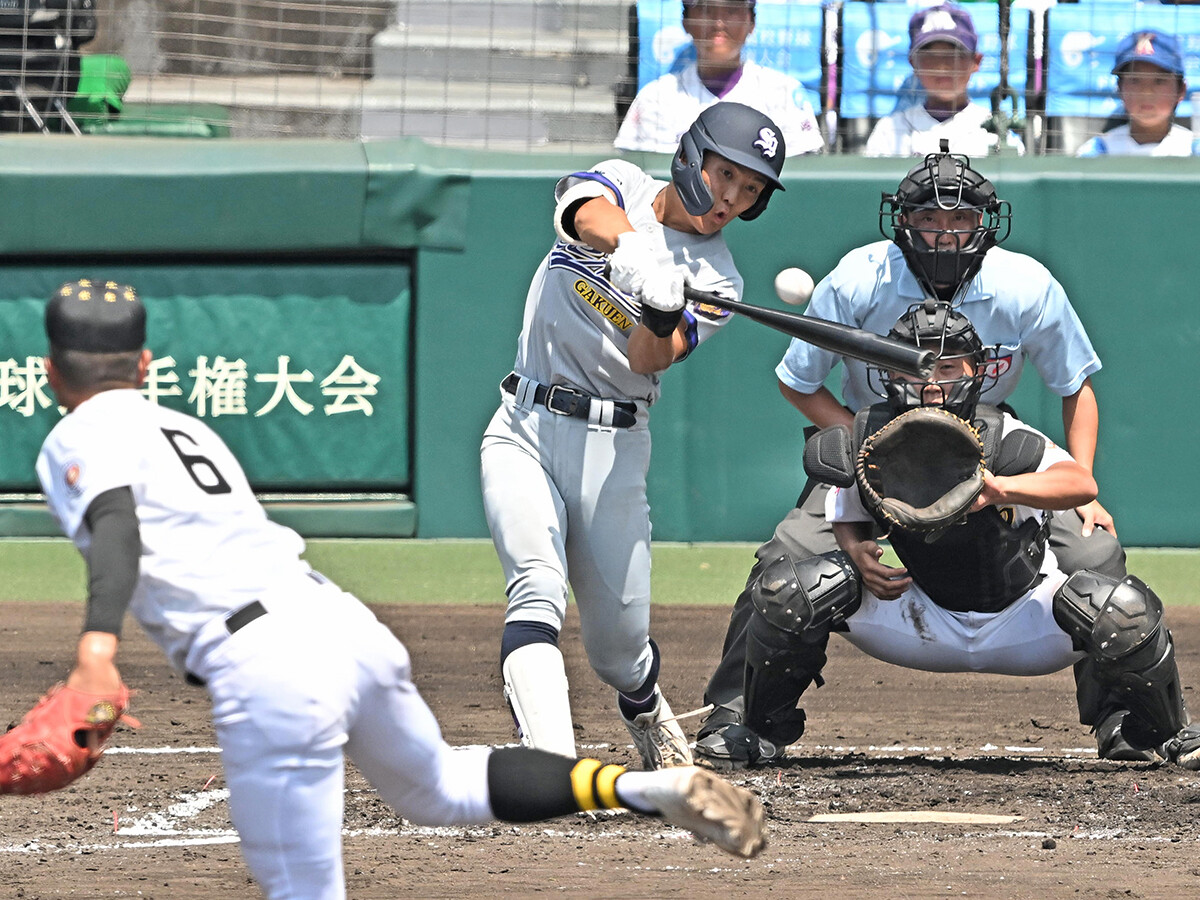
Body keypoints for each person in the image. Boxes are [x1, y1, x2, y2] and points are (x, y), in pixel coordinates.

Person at [32, 279, 769, 900]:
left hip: (266, 667)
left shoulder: (76, 437)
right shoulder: (184, 429)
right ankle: (651, 790)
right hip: (340, 624)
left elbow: (117, 526)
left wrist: (96, 652)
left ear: (50, 372)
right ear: (146, 364)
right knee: (439, 787)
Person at [695, 144, 1142, 769]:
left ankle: (1125, 721)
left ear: (986, 223)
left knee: (1095, 552)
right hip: (876, 449)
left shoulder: (1025, 285)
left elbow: (1077, 387)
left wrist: (1087, 489)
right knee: (788, 555)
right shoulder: (857, 278)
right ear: (903, 221)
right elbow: (797, 382)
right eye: (931, 218)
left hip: (988, 442)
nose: (945, 232)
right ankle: (738, 715)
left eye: (960, 221)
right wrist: (872, 444)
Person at [728, 302, 1200, 769]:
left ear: (978, 371)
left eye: (949, 367)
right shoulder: (869, 432)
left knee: (1122, 611)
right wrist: (856, 550)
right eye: (916, 368)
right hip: (919, 617)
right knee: (789, 591)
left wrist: (1002, 490)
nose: (932, 383)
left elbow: (1081, 484)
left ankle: (1168, 733)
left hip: (1025, 621)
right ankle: (759, 731)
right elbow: (847, 509)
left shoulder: (1003, 434)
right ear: (889, 372)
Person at [481, 102, 786, 771]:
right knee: (535, 586)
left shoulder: (718, 278)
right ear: (693, 155)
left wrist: (663, 303)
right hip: (523, 426)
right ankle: (553, 768)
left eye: (751, 188)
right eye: (727, 173)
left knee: (618, 649)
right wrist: (636, 251)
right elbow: (582, 207)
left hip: (611, 446)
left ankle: (645, 703)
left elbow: (650, 358)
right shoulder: (622, 181)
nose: (732, 197)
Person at [615, 0, 823, 156]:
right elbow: (642, 176)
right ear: (685, 21)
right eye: (705, 9)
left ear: (752, 22)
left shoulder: (783, 92)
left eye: (731, 10)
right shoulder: (656, 96)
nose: (718, 23)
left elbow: (800, 173)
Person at [864, 3, 1024, 158]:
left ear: (976, 61)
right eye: (930, 57)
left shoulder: (995, 129)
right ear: (913, 63)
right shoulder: (890, 131)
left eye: (954, 56)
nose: (942, 67)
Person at [1076, 29, 1197, 158]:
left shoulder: (1193, 150)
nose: (1147, 92)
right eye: (1135, 80)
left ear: (1181, 90)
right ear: (1119, 88)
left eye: (1159, 81)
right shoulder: (1098, 152)